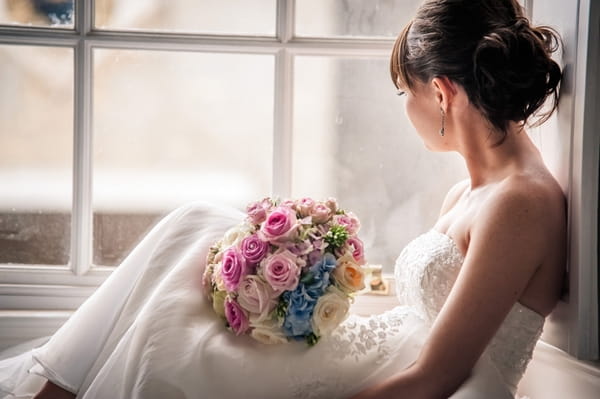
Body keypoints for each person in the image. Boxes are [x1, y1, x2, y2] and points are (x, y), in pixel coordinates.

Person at [0, 0, 565, 398]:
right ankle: (59, 388)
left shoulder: (520, 203)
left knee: (185, 283)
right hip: (369, 352)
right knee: (199, 230)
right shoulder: (469, 191)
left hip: (384, 378)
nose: (405, 106)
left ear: (440, 92)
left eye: (404, 91)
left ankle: (56, 390)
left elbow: (436, 377)